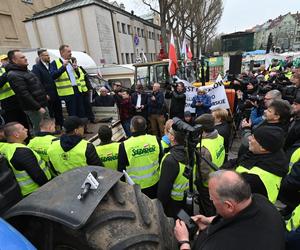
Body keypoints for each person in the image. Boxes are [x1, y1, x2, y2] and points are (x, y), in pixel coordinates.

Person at [174, 170, 286, 250]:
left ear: (229, 206)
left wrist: (184, 242)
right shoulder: (262, 201)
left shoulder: (220, 245)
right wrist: (211, 221)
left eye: (212, 198)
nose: (210, 199)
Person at [226, 126, 288, 204]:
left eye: (254, 138)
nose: (249, 138)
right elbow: (241, 160)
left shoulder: (253, 177)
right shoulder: (273, 153)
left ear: (263, 148)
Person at [0, 122, 51, 196]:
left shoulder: (5, 147)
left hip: (25, 191)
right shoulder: (22, 152)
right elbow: (37, 175)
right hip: (36, 190)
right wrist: (48, 187)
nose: (27, 129)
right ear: (16, 135)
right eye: (23, 129)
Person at [118, 115, 163, 199]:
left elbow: (121, 169)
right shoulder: (155, 139)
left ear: (131, 128)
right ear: (145, 126)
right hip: (154, 183)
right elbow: (161, 160)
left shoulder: (124, 145)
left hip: (135, 187)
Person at [6, 50, 49, 135]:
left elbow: (36, 85)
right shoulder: (13, 74)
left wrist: (44, 96)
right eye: (22, 57)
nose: (26, 59)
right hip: (34, 108)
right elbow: (24, 94)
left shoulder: (25, 70)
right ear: (14, 60)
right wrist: (38, 107)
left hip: (41, 104)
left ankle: (48, 142)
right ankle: (39, 146)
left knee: (47, 126)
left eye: (25, 56)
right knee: (39, 129)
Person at [195, 114, 225, 216]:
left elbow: (204, 171)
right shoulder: (220, 137)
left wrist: (200, 185)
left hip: (207, 184)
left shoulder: (203, 147)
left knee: (207, 208)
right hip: (219, 175)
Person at [157, 126, 188, 218]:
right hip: (186, 196)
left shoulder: (170, 160)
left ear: (172, 138)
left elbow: (164, 190)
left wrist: (160, 206)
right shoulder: (188, 151)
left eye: (169, 132)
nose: (167, 134)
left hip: (173, 202)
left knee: (177, 224)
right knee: (186, 218)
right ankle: (191, 229)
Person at [50, 45, 84, 118]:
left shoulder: (71, 62)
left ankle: (82, 129)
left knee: (81, 112)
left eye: (70, 51)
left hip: (77, 90)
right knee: (73, 114)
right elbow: (53, 76)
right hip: (67, 93)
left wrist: (76, 69)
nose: (71, 53)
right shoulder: (55, 63)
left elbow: (77, 76)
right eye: (68, 51)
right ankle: (74, 129)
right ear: (62, 53)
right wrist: (63, 67)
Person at [32, 49, 63, 129]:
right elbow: (38, 82)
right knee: (50, 113)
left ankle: (60, 126)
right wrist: (44, 94)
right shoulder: (37, 67)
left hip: (56, 93)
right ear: (40, 56)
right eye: (46, 55)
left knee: (58, 111)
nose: (48, 57)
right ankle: (52, 129)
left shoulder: (51, 65)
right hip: (47, 95)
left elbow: (54, 76)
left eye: (48, 55)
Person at [0, 54, 28, 129]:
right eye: (5, 60)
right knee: (13, 122)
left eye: (7, 60)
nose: (7, 61)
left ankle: (27, 136)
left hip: (16, 97)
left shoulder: (3, 69)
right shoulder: (6, 71)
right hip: (5, 101)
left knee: (23, 119)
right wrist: (6, 74)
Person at [70, 56, 97, 123]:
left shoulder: (81, 68)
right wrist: (74, 70)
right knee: (81, 108)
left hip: (84, 91)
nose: (75, 64)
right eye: (73, 62)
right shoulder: (70, 71)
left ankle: (91, 118)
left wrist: (90, 87)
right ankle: (84, 121)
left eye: (75, 62)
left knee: (88, 106)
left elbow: (86, 78)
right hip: (77, 92)